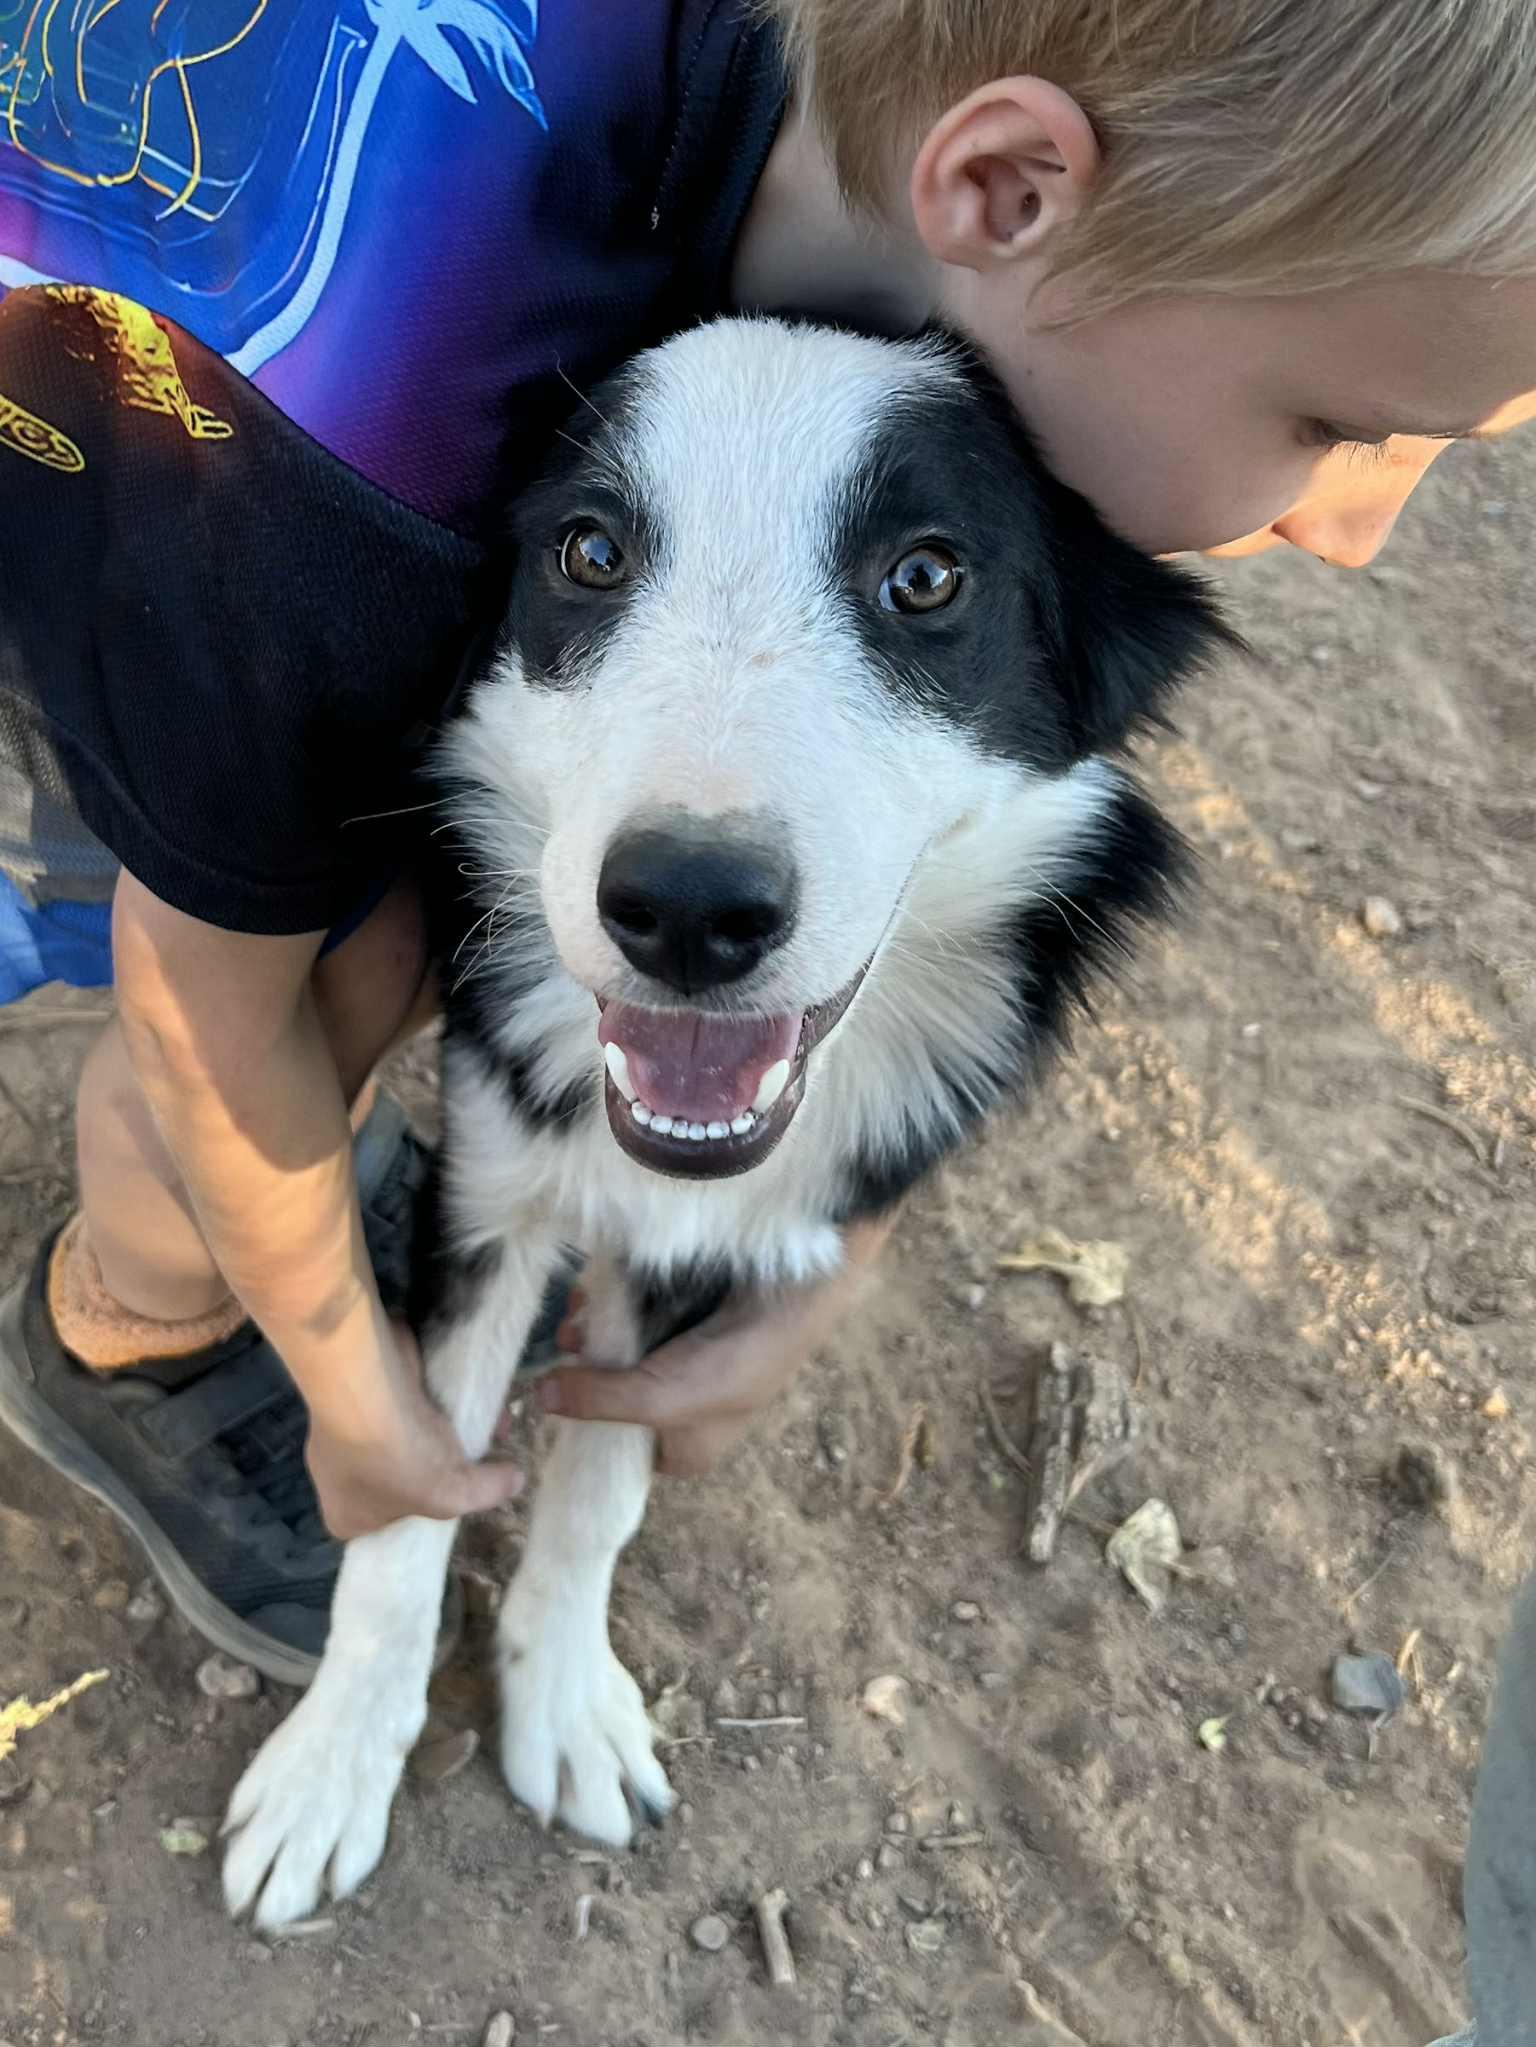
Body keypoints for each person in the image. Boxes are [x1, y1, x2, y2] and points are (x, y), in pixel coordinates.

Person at [0, 8, 1533, 2023]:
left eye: (920, 581)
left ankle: (516, 1554)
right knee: (277, 1004)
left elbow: (986, 849)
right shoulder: (344, 471)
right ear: (999, 192)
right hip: (135, 440)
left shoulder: (872, 185)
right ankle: (127, 1326)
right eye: (1339, 426)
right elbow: (212, 1017)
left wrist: (826, 1229)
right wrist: (356, 1407)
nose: (1350, 528)